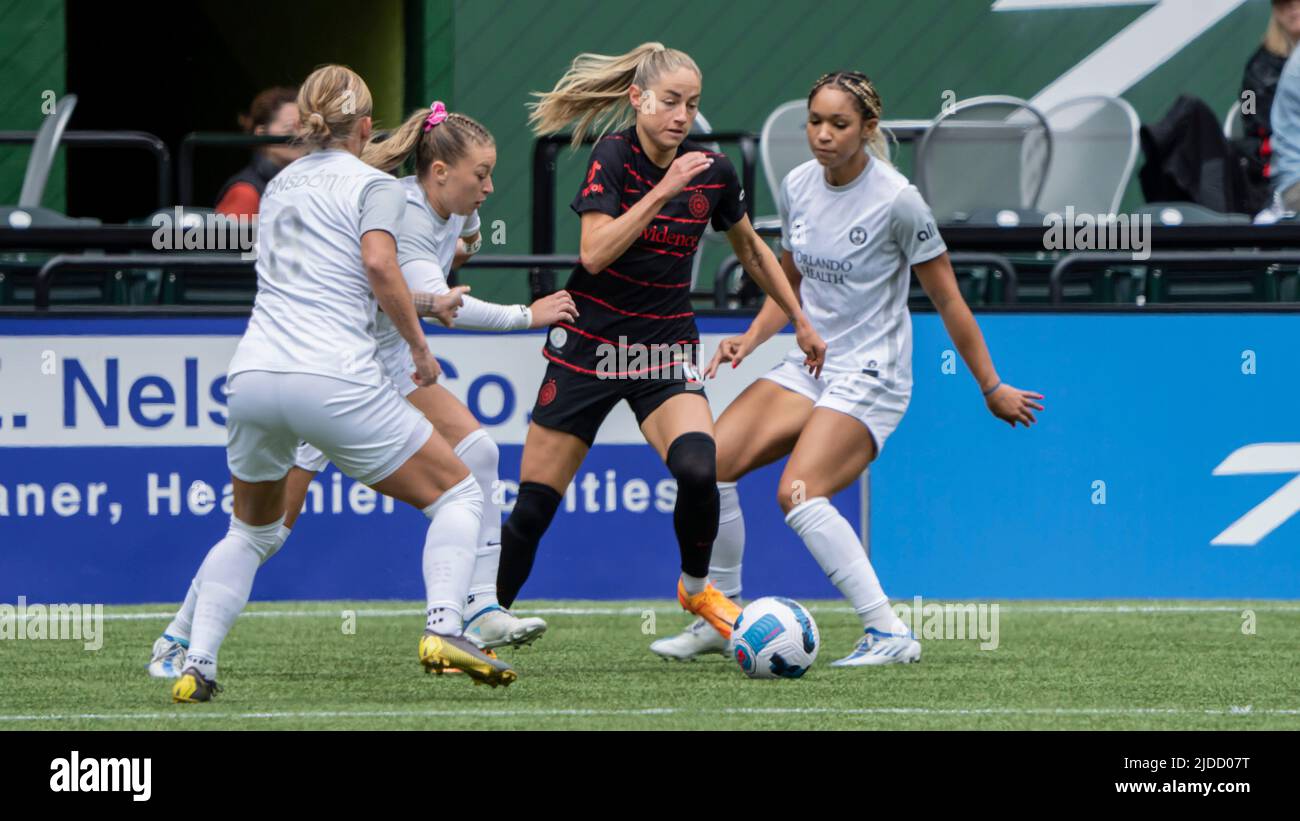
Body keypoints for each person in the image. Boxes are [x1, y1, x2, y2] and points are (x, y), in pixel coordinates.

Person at [649, 71, 1044, 666]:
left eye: (839, 124)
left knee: (798, 493)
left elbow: (949, 301)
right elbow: (788, 282)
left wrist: (990, 386)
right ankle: (719, 614)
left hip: (874, 372)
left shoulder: (898, 201)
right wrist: (752, 340)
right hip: (808, 364)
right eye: (815, 121)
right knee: (709, 467)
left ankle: (889, 631)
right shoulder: (799, 184)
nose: (824, 135)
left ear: (867, 129)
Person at [163, 65, 513, 702]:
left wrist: (431, 278)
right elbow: (379, 264)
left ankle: (195, 660)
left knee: (252, 532)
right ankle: (446, 626)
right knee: (461, 493)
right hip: (331, 377)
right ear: (366, 127)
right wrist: (419, 346)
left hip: (252, 377)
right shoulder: (375, 185)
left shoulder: (278, 183)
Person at [494, 42, 826, 638]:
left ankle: (697, 591)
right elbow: (593, 254)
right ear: (637, 99)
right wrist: (663, 190)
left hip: (663, 348)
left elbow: (750, 249)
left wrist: (797, 317)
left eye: (691, 103)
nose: (680, 114)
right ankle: (482, 619)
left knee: (701, 470)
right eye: (669, 101)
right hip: (591, 348)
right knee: (532, 510)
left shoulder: (712, 169)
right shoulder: (615, 156)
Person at [214, 86, 306, 216]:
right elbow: (226, 237)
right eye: (289, 129)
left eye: (305, 128)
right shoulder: (246, 192)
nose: (300, 136)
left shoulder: (305, 185)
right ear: (261, 133)